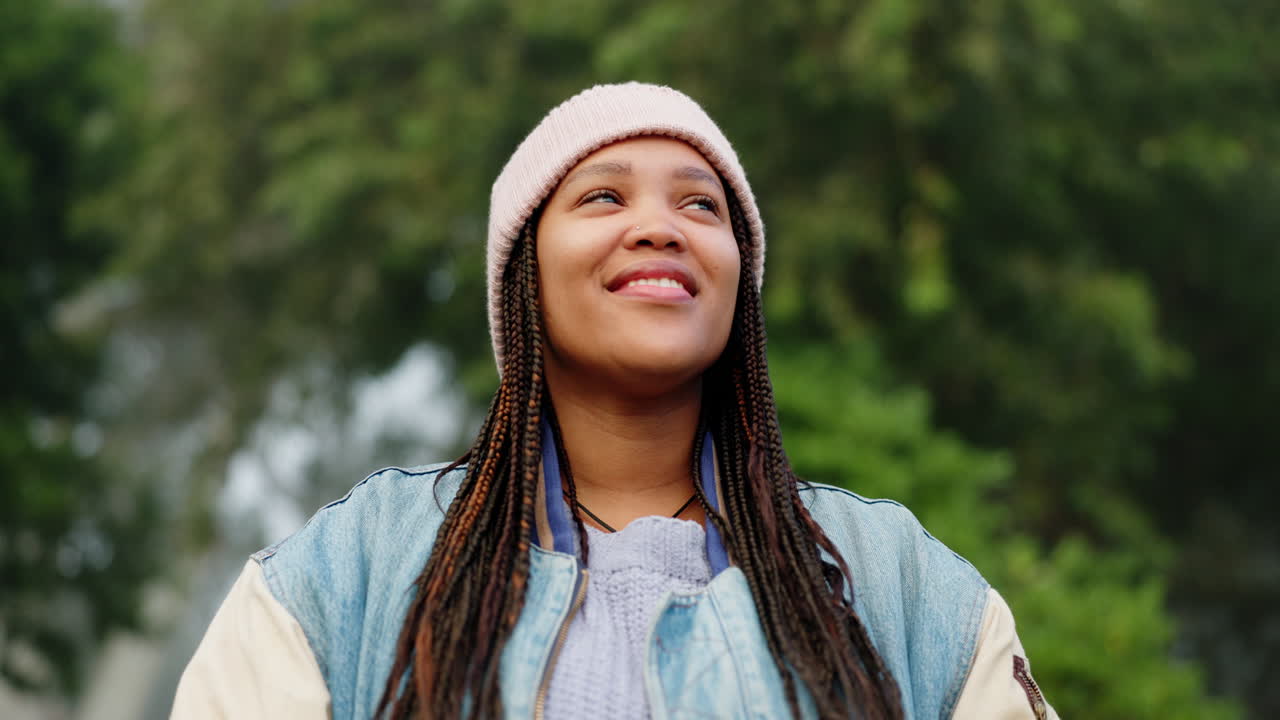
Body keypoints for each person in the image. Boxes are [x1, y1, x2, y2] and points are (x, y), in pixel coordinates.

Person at [172, 82, 1058, 720]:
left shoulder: (903, 584)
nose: (659, 224)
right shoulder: (345, 575)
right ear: (525, 274)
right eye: (603, 195)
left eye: (702, 205)